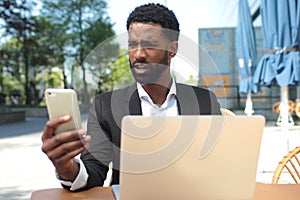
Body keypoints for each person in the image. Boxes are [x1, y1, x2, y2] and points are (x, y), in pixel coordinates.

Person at [41, 3, 221, 191]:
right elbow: (94, 171)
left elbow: (219, 164)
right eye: (132, 44)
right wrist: (67, 168)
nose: (138, 54)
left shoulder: (204, 102)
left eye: (150, 45)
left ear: (172, 49)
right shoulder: (106, 106)